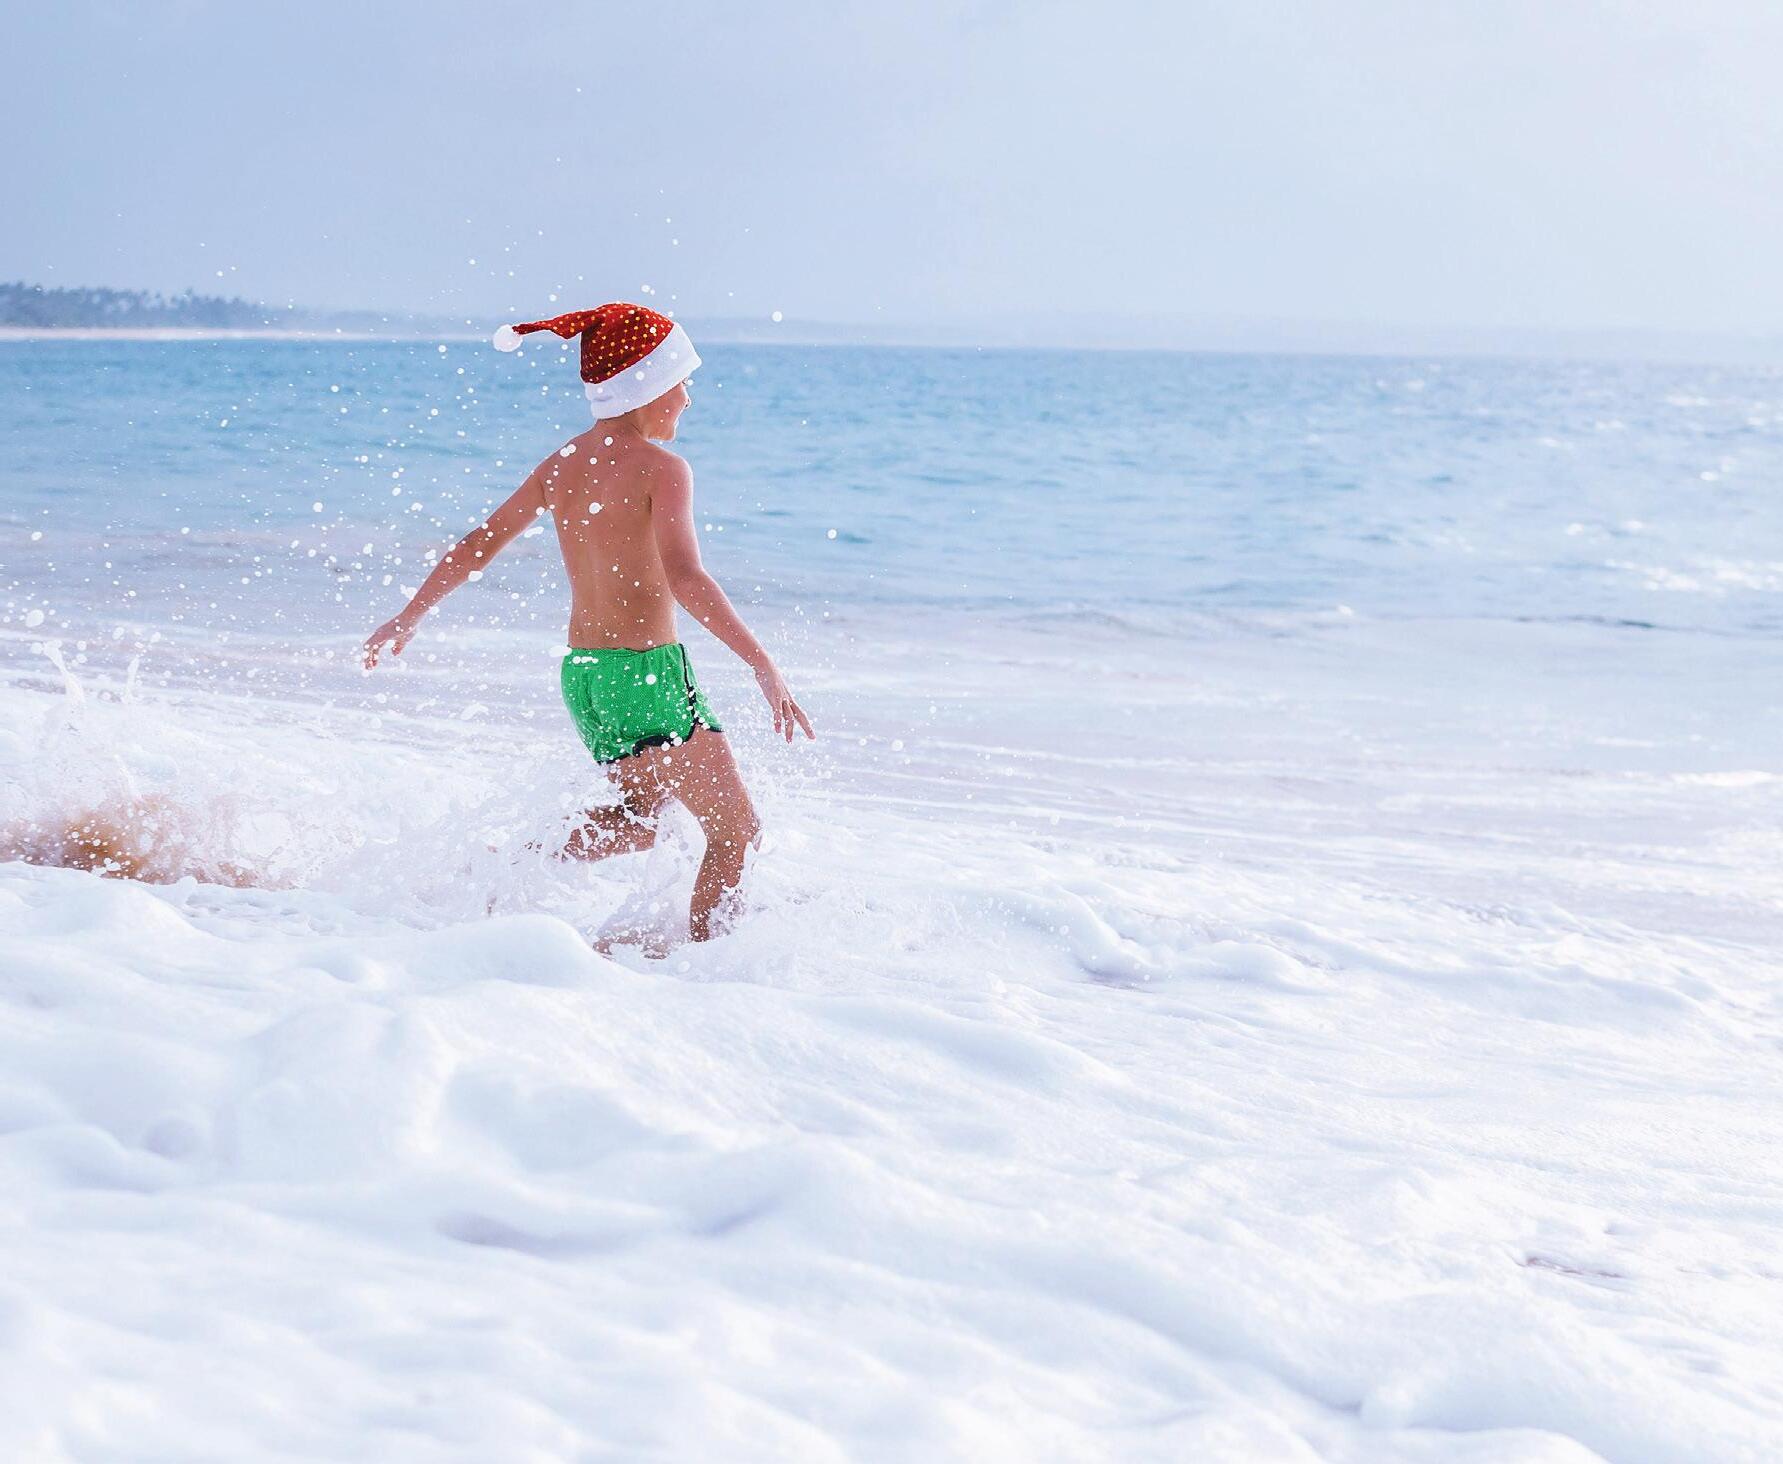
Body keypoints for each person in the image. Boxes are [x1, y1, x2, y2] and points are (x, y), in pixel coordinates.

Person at [362, 303, 814, 947]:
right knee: (737, 831)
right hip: (648, 677)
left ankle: (515, 864)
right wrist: (762, 663)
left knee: (640, 819)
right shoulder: (663, 469)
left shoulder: (562, 463)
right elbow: (686, 578)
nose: (688, 398)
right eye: (682, 382)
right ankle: (709, 969)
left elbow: (479, 544)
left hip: (587, 679)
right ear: (647, 385)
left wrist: (409, 616)